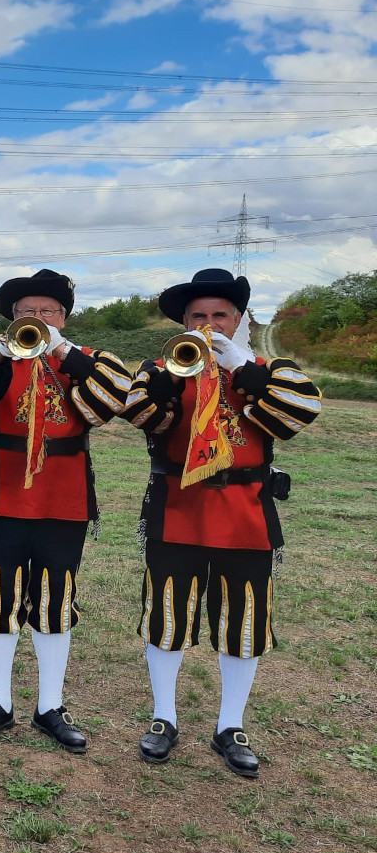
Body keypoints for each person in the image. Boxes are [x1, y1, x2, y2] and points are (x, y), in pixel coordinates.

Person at [121, 268, 320, 778]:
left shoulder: (272, 368)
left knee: (243, 623)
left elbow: (298, 415)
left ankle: (230, 725)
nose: (209, 326)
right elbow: (140, 413)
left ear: (238, 320)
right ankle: (164, 717)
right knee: (167, 617)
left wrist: (244, 368)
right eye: (198, 318)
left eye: (219, 317)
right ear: (185, 323)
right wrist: (175, 373)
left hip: (247, 512)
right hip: (178, 508)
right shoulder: (159, 367)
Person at [0, 269, 131, 753]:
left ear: (64, 317)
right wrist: (2, 356)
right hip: (4, 493)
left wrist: (63, 354)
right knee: (0, 595)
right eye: (26, 313)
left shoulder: (91, 359)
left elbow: (113, 402)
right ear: (12, 318)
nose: (37, 319)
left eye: (46, 312)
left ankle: (50, 704)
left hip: (64, 496)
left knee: (55, 598)